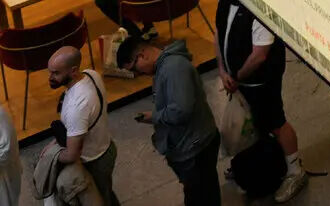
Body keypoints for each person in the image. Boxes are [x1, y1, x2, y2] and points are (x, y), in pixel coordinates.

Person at [214, 0, 308, 199]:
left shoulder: (259, 6)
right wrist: (221, 69)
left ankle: (295, 171)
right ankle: (257, 162)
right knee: (252, 123)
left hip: (261, 81)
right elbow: (219, 33)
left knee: (275, 121)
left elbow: (260, 55)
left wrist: (236, 77)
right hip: (238, 80)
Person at [120, 33, 220, 206]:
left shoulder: (173, 69)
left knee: (201, 197)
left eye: (135, 69)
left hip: (194, 146)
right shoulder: (165, 66)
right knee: (203, 191)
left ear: (142, 55)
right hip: (192, 142)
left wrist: (154, 117)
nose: (138, 74)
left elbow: (181, 111)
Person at [46, 45, 120, 204]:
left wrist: (52, 157)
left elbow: (72, 154)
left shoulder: (76, 106)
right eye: (50, 71)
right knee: (106, 192)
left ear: (73, 71)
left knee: (100, 199)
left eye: (56, 73)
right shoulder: (91, 74)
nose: (50, 77)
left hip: (94, 161)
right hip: (105, 146)